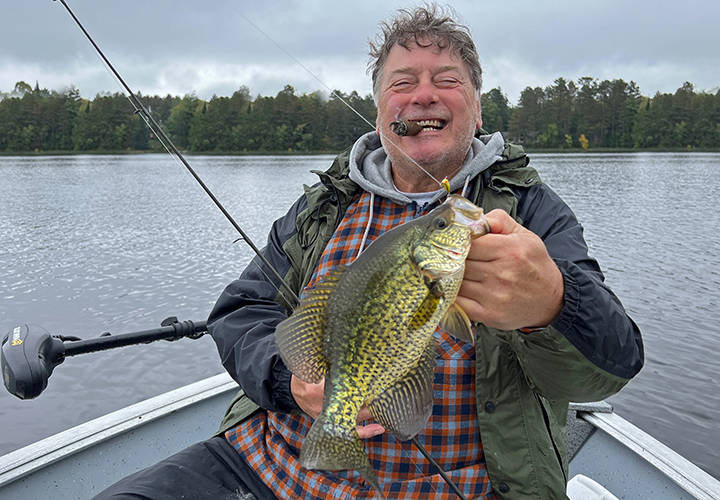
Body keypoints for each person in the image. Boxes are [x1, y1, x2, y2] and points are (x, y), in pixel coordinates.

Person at [95, 4, 643, 500]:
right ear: (381, 112)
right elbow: (242, 313)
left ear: (477, 111)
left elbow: (608, 369)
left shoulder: (532, 214)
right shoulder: (324, 207)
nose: (423, 95)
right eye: (402, 83)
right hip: (271, 464)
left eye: (447, 81)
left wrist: (553, 303)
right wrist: (292, 382)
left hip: (458, 487)